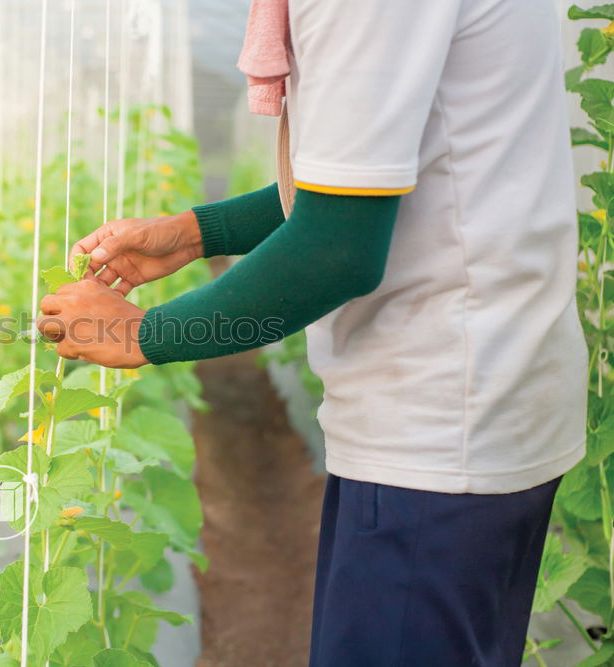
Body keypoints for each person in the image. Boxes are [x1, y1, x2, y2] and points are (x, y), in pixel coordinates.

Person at [36, 0, 587, 665]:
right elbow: (361, 180)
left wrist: (145, 334)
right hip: (473, 401)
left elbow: (337, 247)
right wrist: (197, 233)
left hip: (440, 422)